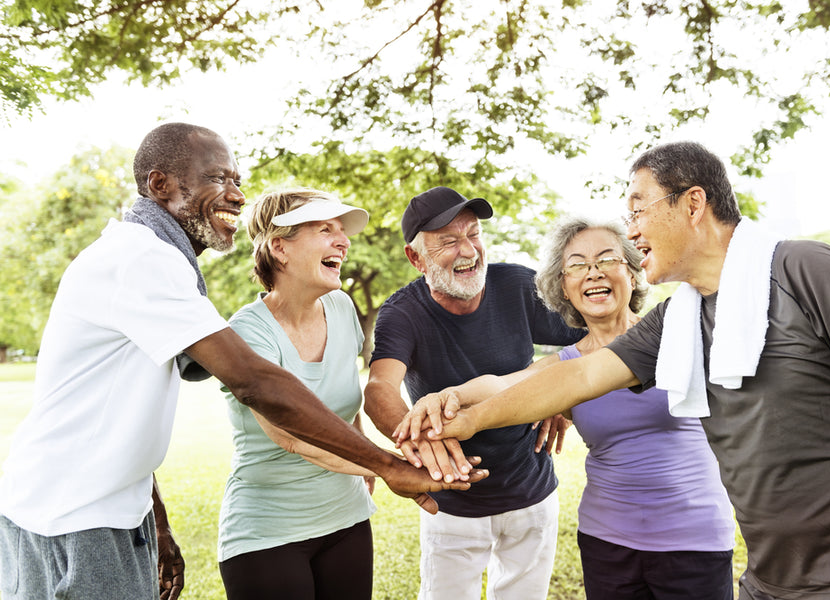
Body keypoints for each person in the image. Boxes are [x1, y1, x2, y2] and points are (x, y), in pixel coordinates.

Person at [0, 123, 485, 600]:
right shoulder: (141, 258)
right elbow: (255, 383)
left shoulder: (161, 263)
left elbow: (123, 415)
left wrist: (155, 522)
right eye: (217, 178)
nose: (236, 195)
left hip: (114, 510)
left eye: (237, 180)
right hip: (70, 515)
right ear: (159, 184)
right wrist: (387, 465)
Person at [401, 142, 830, 600]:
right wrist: (462, 415)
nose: (633, 231)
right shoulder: (680, 318)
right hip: (770, 578)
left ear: (693, 203)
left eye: (638, 211)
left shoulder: (802, 268)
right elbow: (577, 377)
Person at [364, 186, 583, 600]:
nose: (467, 250)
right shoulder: (402, 312)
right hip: (452, 501)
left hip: (531, 491)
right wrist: (419, 440)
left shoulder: (518, 285)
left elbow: (598, 336)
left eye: (473, 234)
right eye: (448, 241)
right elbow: (379, 388)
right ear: (415, 258)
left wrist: (562, 398)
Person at [217, 188, 379, 599]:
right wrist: (386, 465)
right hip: (267, 531)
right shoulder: (247, 332)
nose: (343, 241)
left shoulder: (341, 308)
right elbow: (292, 435)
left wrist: (362, 460)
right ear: (280, 248)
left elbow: (344, 403)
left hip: (347, 517)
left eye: (341, 230)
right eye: (325, 230)